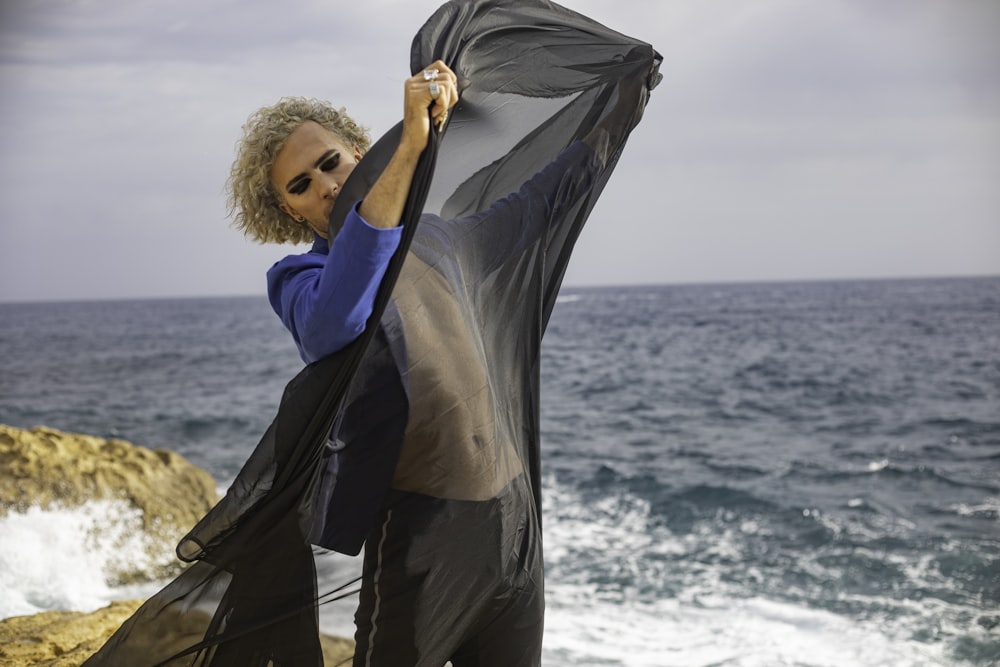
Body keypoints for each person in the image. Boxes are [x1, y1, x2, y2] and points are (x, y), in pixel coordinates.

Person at [227, 51, 652, 667]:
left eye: (331, 163)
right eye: (302, 186)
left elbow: (544, 199)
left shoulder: (443, 239)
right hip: (420, 547)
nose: (326, 186)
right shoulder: (299, 278)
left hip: (512, 532)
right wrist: (408, 151)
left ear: (355, 151)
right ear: (288, 211)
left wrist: (617, 109)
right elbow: (336, 323)